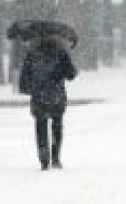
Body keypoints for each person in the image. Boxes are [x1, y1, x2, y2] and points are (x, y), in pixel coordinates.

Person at [18, 35, 78, 170]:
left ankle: (44, 159)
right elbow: (72, 74)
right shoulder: (61, 53)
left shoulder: (32, 54)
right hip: (56, 94)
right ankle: (56, 157)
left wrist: (27, 88)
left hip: (39, 95)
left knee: (40, 125)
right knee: (57, 125)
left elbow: (25, 75)